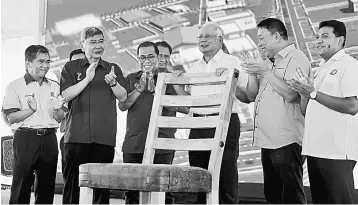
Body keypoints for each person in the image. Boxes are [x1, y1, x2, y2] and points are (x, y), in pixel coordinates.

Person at [174, 22, 250, 204]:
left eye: (207, 36)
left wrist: (231, 79)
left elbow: (247, 95)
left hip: (224, 122)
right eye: (200, 37)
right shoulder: (194, 68)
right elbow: (188, 103)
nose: (202, 40)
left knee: (225, 174)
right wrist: (177, 85)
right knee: (199, 176)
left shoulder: (233, 62)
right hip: (198, 124)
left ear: (219, 39)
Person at [287, 20, 358, 204]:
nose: (318, 41)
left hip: (337, 151)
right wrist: (304, 93)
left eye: (325, 36)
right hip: (315, 149)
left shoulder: (349, 65)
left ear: (340, 40)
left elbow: (352, 106)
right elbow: (307, 112)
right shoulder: (320, 69)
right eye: (317, 37)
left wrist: (313, 92)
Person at [241, 18, 310, 204]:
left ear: (277, 36)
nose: (259, 43)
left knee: (291, 196)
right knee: (273, 195)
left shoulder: (297, 59)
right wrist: (252, 72)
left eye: (262, 38)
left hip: (286, 139)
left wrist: (265, 71)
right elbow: (251, 95)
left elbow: (292, 95)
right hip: (267, 140)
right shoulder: (268, 62)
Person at [60, 27, 127, 204]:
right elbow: (65, 95)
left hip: (104, 137)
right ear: (82, 45)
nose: (98, 46)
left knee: (101, 190)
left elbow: (123, 96)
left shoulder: (113, 68)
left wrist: (113, 83)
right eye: (92, 42)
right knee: (72, 188)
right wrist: (87, 79)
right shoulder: (71, 67)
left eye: (100, 41)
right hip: (76, 136)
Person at [118, 41, 185, 204]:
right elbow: (123, 105)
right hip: (134, 144)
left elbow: (184, 108)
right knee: (132, 193)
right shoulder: (131, 78)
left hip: (162, 144)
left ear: (158, 58)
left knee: (162, 193)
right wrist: (139, 89)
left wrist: (156, 90)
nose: (146, 61)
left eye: (150, 57)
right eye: (142, 57)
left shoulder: (170, 78)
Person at [2, 45, 65, 204]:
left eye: (48, 61)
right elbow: (11, 118)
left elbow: (59, 117)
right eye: (41, 61)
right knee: (21, 184)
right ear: (28, 63)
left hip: (49, 138)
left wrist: (58, 109)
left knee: (47, 185)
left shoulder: (54, 86)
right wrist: (30, 110)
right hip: (25, 138)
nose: (46, 65)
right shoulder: (15, 86)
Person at [59, 49, 85, 174]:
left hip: (91, 141)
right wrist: (66, 110)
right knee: (70, 178)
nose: (78, 66)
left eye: (81, 61)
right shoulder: (64, 87)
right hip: (69, 139)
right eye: (74, 62)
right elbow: (59, 109)